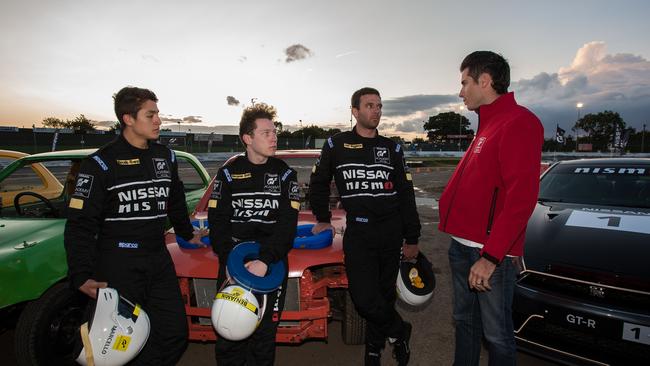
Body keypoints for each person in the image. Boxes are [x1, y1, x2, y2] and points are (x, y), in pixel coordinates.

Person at [64, 86, 205, 365]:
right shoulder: (100, 164)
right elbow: (80, 224)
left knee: (173, 333)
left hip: (158, 259)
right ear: (128, 119)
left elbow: (175, 199)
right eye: (150, 115)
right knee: (118, 344)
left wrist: (189, 233)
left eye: (157, 114)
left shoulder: (166, 156)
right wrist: (80, 275)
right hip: (118, 263)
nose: (158, 121)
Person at [438, 51, 543, 366]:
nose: (461, 92)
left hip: (488, 255)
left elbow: (521, 199)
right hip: (463, 247)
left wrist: (492, 256)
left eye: (465, 82)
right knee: (465, 324)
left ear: (484, 81)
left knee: (497, 335)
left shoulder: (519, 122)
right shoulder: (487, 126)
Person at [309, 87, 421, 366]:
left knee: (384, 296)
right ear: (355, 111)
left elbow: (406, 193)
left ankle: (373, 349)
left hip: (391, 231)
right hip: (358, 232)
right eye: (370, 105)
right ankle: (399, 331)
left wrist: (412, 237)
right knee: (362, 297)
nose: (376, 110)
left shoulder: (393, 148)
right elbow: (319, 183)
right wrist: (322, 218)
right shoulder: (336, 144)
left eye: (379, 106)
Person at [208, 103, 299, 365]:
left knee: (264, 339)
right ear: (247, 138)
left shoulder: (284, 173)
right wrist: (229, 261)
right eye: (266, 133)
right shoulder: (227, 174)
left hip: (272, 263)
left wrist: (266, 259)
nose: (274, 137)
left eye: (274, 131)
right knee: (228, 336)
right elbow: (218, 222)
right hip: (234, 261)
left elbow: (287, 224)